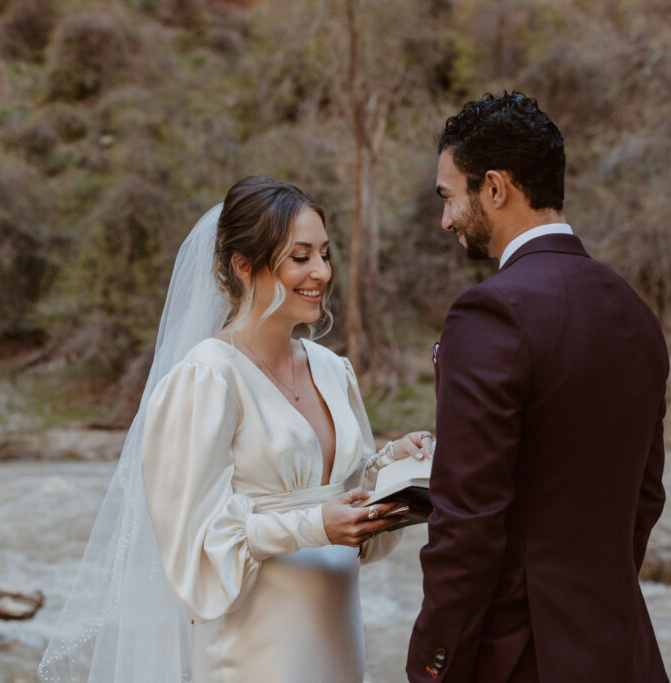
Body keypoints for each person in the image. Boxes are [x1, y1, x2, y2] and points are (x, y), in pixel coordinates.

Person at [39, 176, 431, 682]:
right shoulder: (207, 378)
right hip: (252, 651)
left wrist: (393, 465)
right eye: (301, 256)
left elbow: (346, 498)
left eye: (325, 255)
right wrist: (313, 526)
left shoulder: (333, 370)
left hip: (337, 641)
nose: (321, 272)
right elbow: (197, 545)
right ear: (244, 266)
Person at [406, 92, 669, 682]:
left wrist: (432, 663)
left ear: (495, 188)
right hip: (622, 650)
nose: (446, 220)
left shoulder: (489, 312)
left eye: (450, 197)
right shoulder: (633, 309)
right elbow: (644, 498)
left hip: (522, 659)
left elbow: (467, 520)